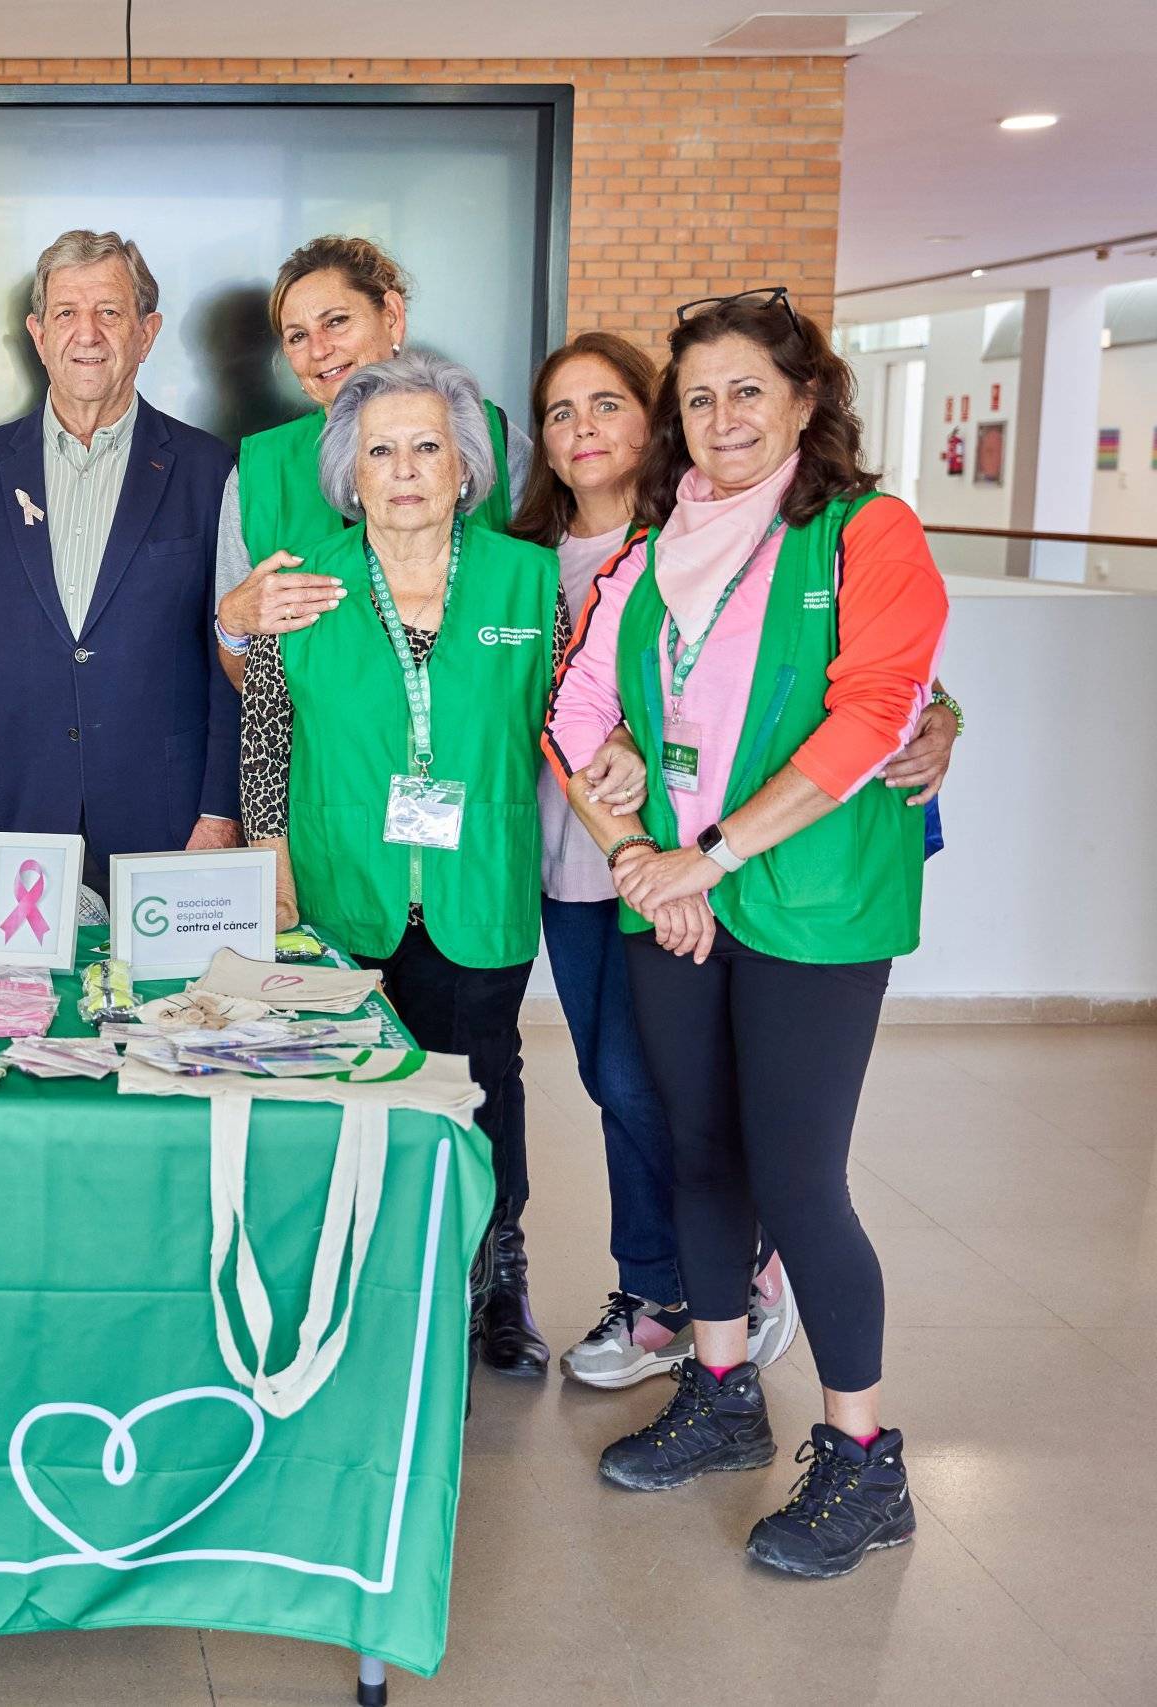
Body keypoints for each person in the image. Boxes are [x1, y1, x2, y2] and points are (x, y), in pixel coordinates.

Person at [547, 288, 949, 1579]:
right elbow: (575, 708)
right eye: (701, 396)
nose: (721, 418)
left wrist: (702, 855)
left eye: (748, 392)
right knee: (697, 1147)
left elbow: (873, 718)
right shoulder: (659, 543)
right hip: (672, 896)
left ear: (808, 402)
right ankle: (721, 1388)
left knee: (798, 1175)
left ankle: (862, 1456)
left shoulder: (867, 534)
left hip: (807, 903)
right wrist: (629, 848)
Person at [235, 351, 562, 1374]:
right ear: (351, 473)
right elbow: (264, 744)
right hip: (342, 889)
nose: (407, 468)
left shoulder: (528, 578)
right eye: (382, 450)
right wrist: (274, 881)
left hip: (477, 882)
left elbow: (575, 719)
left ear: (465, 466)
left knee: (482, 1081)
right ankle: (372, 1281)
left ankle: (493, 1273)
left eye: (429, 446)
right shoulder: (301, 589)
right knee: (356, 1084)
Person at [0, 230, 239, 889]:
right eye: (66, 312)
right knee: (14, 995)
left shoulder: (213, 473)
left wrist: (220, 808)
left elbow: (232, 664)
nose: (86, 333)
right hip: (5, 811)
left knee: (167, 996)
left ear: (147, 333)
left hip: (171, 822)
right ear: (38, 334)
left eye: (110, 312)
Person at [213, 235, 533, 688]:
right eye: (298, 336)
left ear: (392, 317)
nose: (319, 349)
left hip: (478, 746)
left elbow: (564, 627)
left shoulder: (490, 437)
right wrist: (233, 623)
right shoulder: (257, 473)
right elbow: (252, 685)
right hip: (327, 753)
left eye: (337, 321)